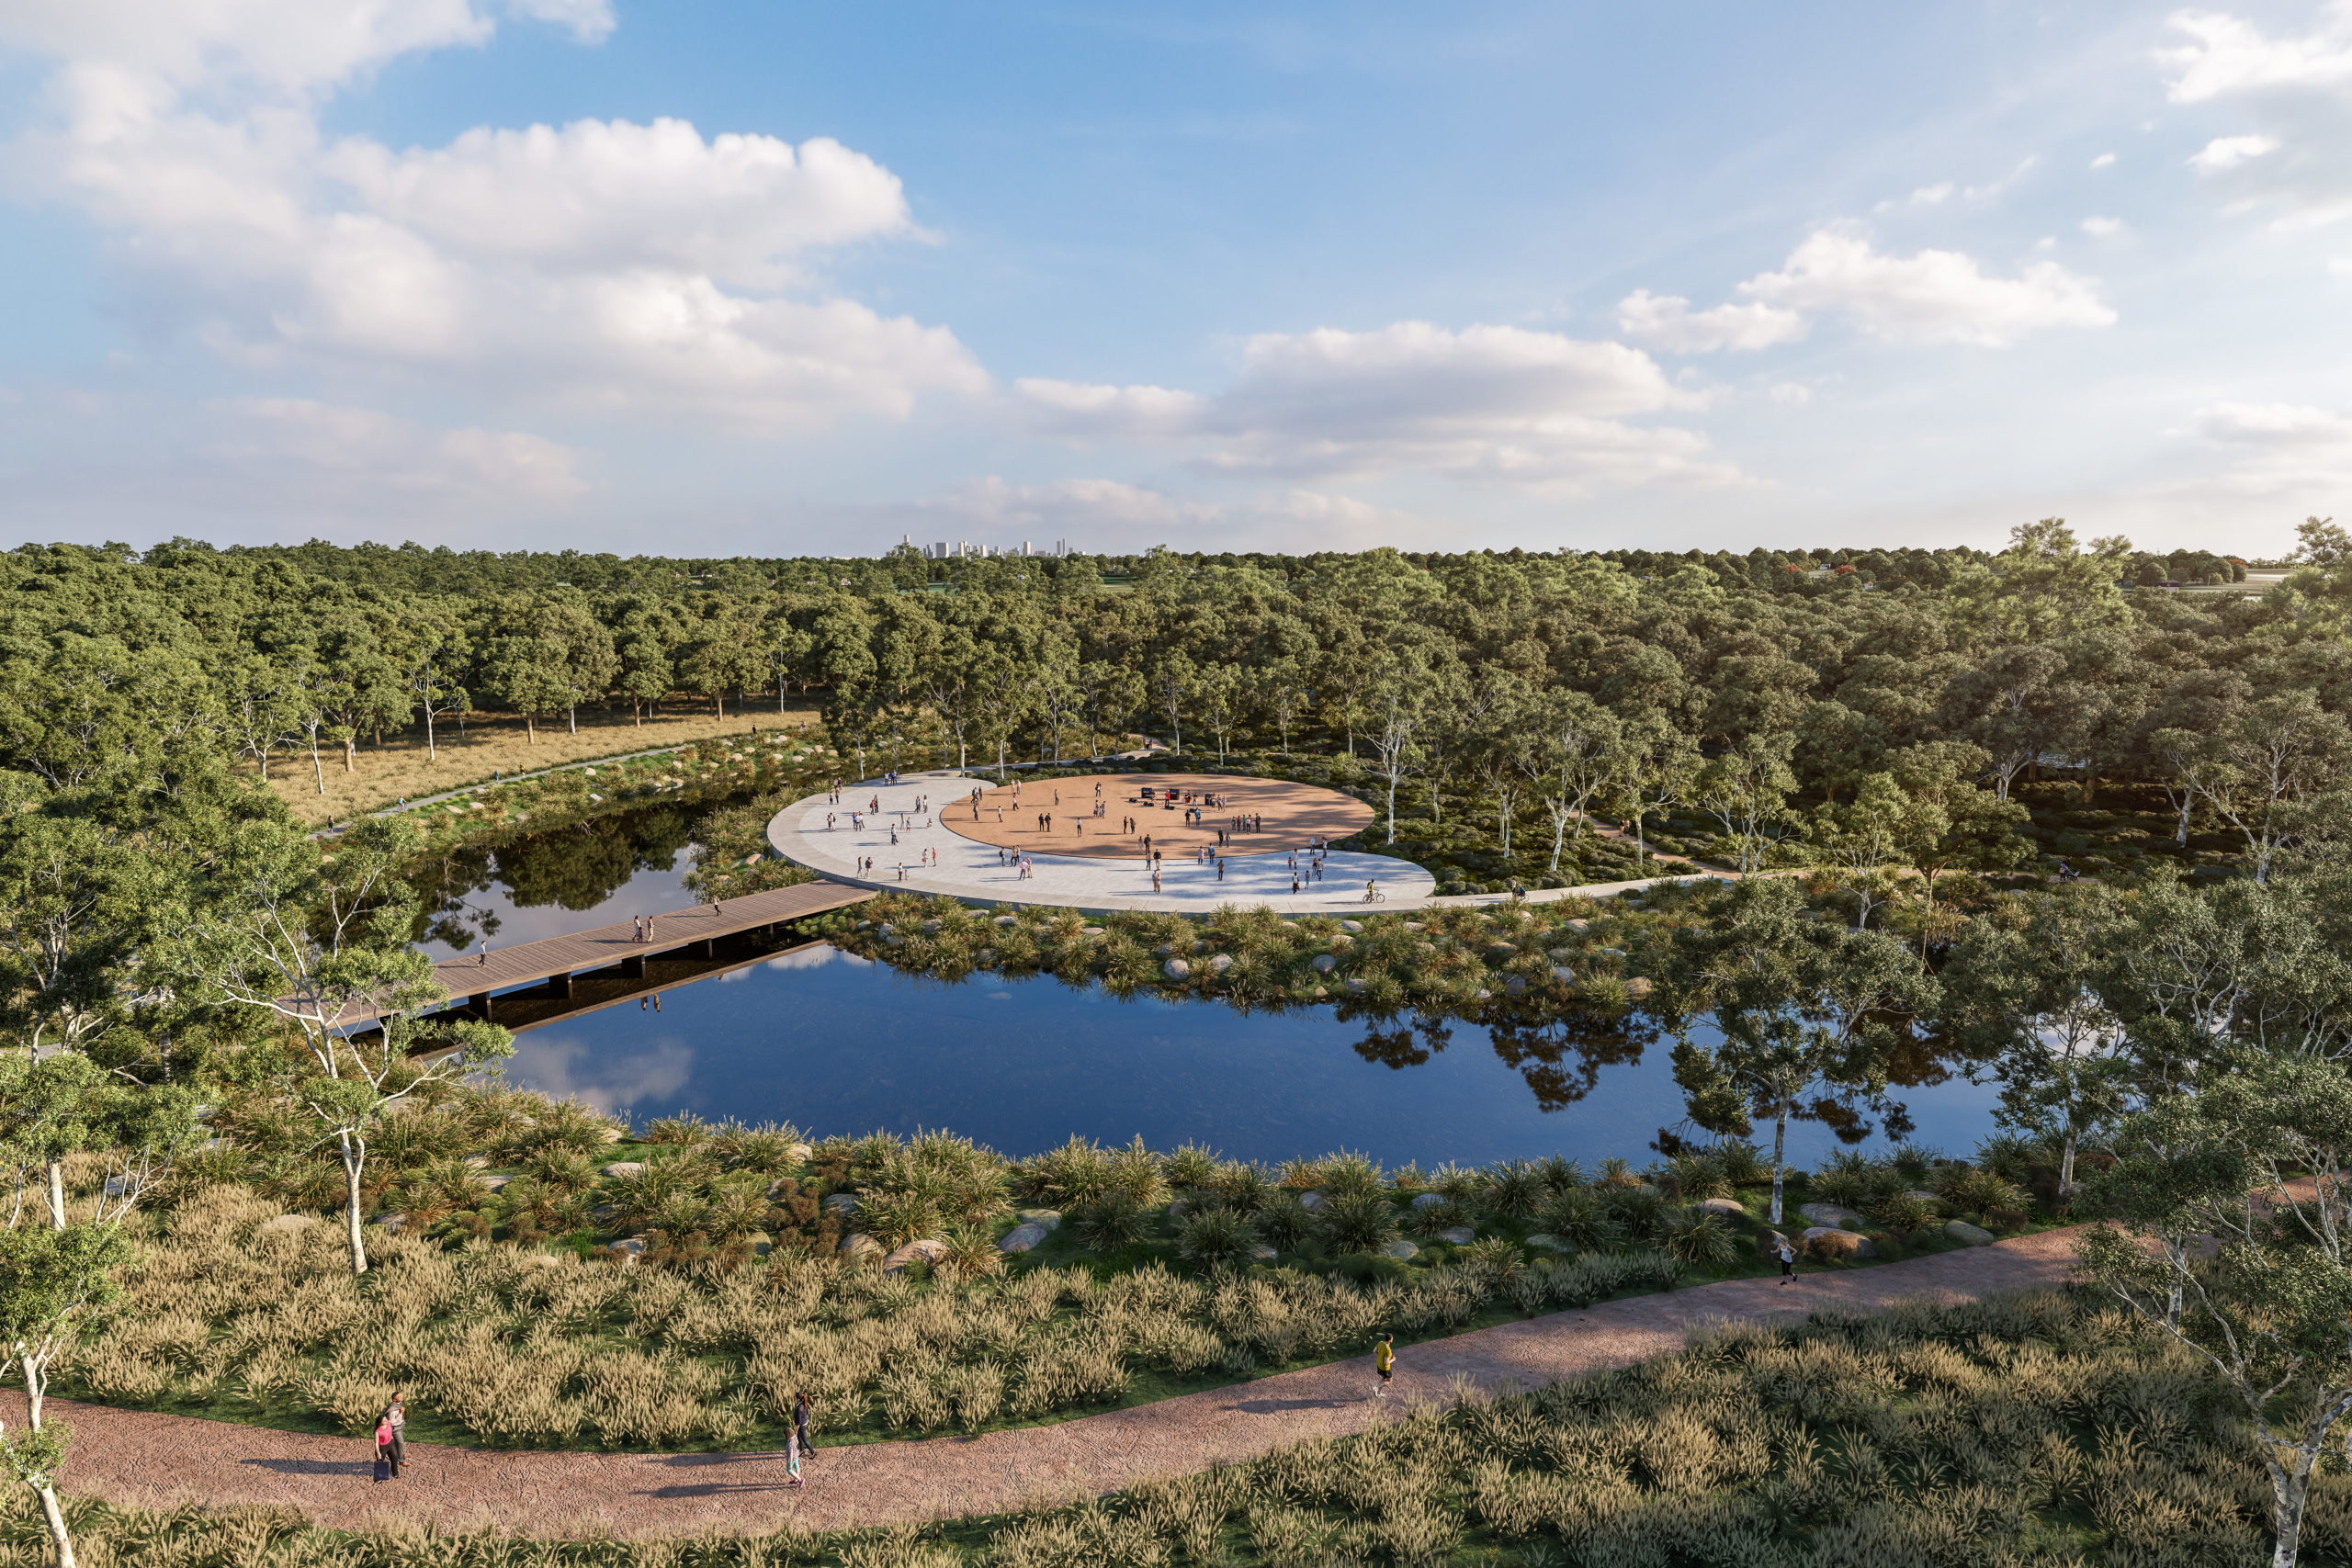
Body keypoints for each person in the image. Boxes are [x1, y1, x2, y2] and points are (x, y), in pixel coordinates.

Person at [383, 1393, 407, 1476]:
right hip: (395, 1428)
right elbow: (391, 1422)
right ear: (394, 1400)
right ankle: (402, 1460)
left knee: (398, 1443)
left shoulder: (399, 1405)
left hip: (400, 1426)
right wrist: (401, 1412)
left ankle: (401, 1454)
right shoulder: (392, 1409)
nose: (401, 1397)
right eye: (399, 1397)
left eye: (401, 1396)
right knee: (400, 1442)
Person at [1373, 1332, 1395, 1399]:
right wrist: (1393, 1359)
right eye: (1392, 1338)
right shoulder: (1388, 1350)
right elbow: (1386, 1362)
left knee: (1383, 1378)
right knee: (1389, 1380)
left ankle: (1379, 1393)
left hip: (1378, 1364)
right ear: (1390, 1340)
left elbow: (1374, 1351)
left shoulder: (1380, 1343)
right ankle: (1376, 1388)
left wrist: (1380, 1355)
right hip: (1385, 1368)